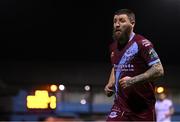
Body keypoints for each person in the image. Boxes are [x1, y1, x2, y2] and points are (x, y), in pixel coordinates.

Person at [104, 9, 164, 121]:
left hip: (142, 108)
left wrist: (132, 80)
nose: (117, 24)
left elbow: (158, 69)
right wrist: (110, 83)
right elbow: (116, 66)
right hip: (120, 106)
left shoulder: (143, 44)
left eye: (122, 21)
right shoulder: (113, 47)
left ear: (132, 24)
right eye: (115, 21)